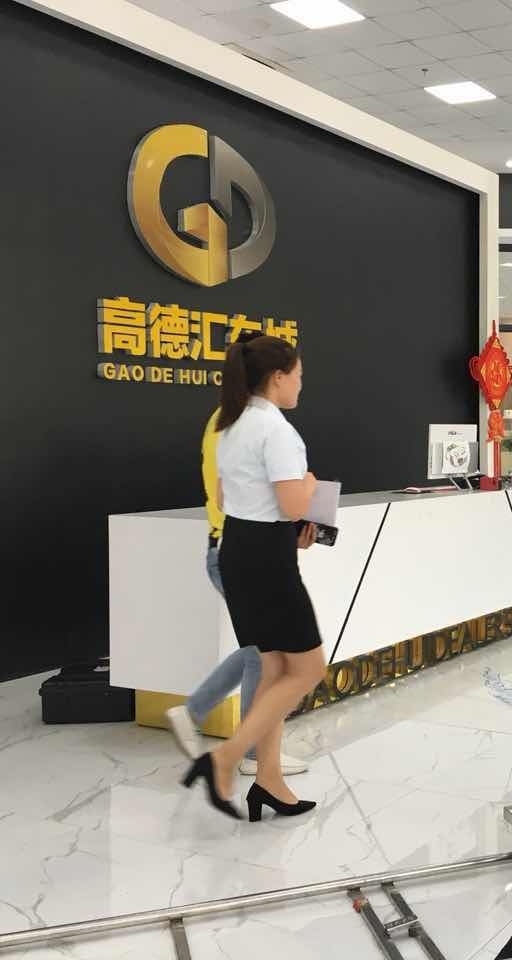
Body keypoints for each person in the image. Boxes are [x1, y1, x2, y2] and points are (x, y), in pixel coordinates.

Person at [180, 332, 326, 822]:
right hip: (267, 562)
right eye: (298, 377)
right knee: (307, 670)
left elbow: (225, 498)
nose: (301, 385)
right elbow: (293, 504)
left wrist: (285, 527)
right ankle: (224, 758)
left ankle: (268, 779)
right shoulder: (276, 430)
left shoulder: (230, 425)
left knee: (273, 669)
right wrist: (310, 485)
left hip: (240, 549)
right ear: (278, 377)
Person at [163, 407, 309, 778]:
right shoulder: (240, 423)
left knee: (259, 649)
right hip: (241, 553)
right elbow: (231, 496)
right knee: (263, 653)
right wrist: (304, 491)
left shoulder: (233, 421)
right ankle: (254, 752)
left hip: (236, 549)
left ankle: (195, 713)